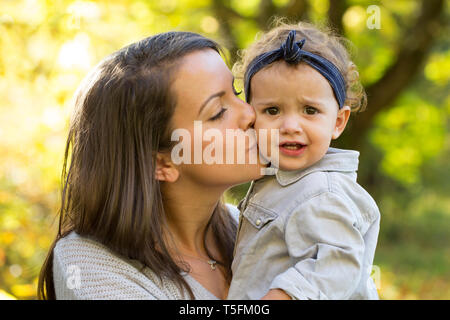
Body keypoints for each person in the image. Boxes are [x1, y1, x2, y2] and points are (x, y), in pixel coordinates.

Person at [37, 31, 263, 300]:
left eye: (237, 93)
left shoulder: (255, 227)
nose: (250, 114)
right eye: (217, 113)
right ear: (163, 162)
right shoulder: (89, 265)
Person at [227, 21, 381, 300]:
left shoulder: (323, 192)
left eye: (310, 110)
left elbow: (337, 264)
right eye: (272, 110)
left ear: (338, 121)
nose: (290, 125)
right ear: (251, 117)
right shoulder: (278, 181)